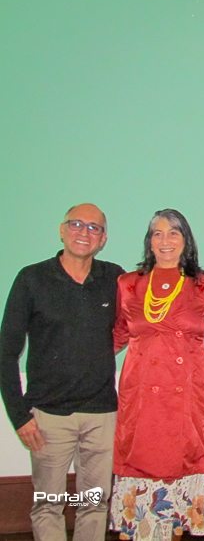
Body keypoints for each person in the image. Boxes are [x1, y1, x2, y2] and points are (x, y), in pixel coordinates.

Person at [0, 203, 123, 541]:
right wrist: (19, 416)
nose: (84, 232)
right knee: (48, 503)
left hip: (101, 415)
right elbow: (6, 352)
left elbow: (134, 326)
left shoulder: (114, 278)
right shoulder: (32, 279)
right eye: (76, 224)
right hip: (47, 417)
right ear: (62, 230)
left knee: (93, 503)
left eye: (94, 227)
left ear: (103, 239)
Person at [109, 209, 204, 541]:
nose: (165, 240)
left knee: (185, 471)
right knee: (142, 469)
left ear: (186, 240)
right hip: (142, 396)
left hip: (188, 396)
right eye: (157, 233)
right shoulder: (128, 284)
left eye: (173, 232)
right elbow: (117, 334)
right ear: (149, 241)